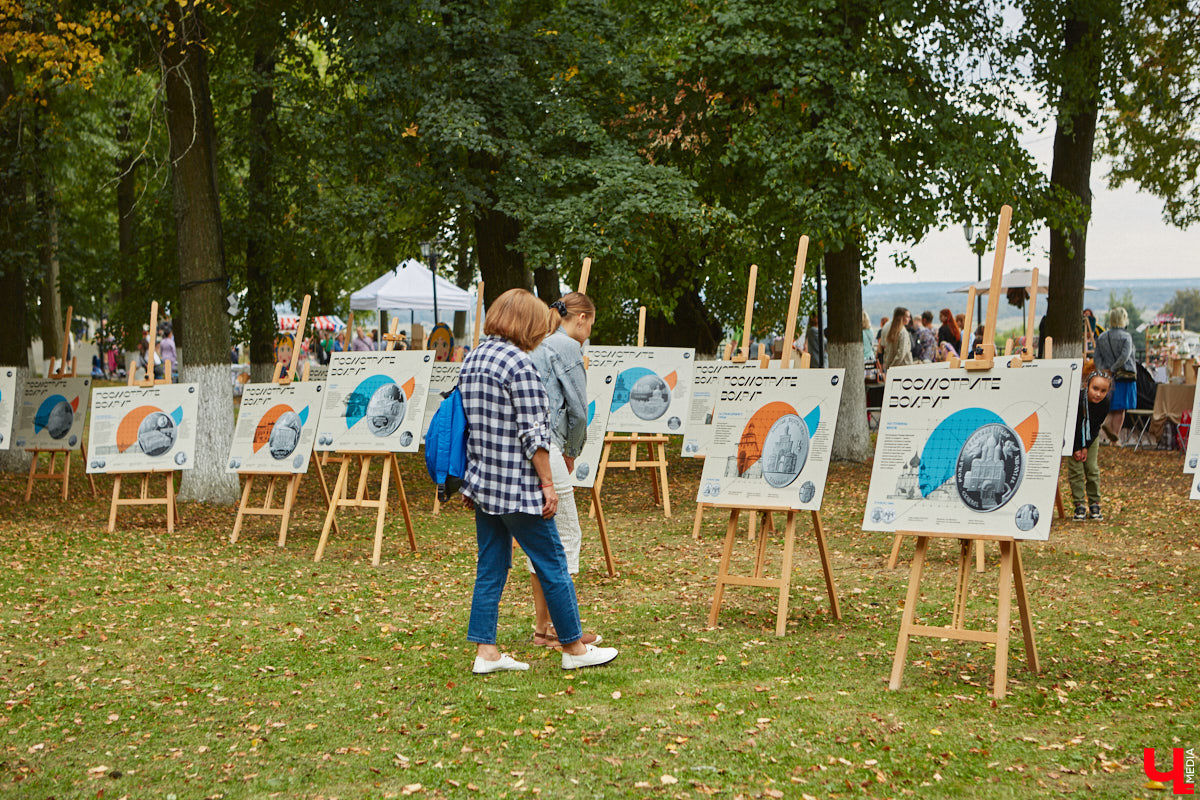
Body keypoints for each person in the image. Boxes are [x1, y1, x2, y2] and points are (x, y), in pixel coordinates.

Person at [459, 288, 618, 674]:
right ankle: (574, 648)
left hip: (483, 484)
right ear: (526, 322)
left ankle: (486, 652)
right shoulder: (519, 364)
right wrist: (548, 485)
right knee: (553, 562)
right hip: (517, 486)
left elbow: (466, 425)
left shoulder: (473, 359)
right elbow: (535, 435)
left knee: (491, 568)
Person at [527, 292, 604, 649]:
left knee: (540, 541)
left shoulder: (537, 344)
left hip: (526, 450)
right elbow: (578, 408)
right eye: (591, 323)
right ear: (583, 318)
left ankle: (544, 627)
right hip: (551, 446)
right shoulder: (567, 347)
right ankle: (564, 627)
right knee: (567, 537)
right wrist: (572, 450)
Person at [1069, 370, 1112, 520]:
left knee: (1091, 468)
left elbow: (1095, 426)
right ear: (1087, 385)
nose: (1098, 394)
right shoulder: (1077, 399)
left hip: (1090, 437)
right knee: (1076, 470)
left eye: (1103, 391)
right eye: (1095, 389)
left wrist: (1086, 447)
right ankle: (1079, 504)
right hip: (1072, 436)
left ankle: (1095, 502)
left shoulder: (1104, 404)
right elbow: (1072, 425)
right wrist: (1076, 449)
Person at [1094, 306, 1137, 443]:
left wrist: (1105, 370)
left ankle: (1108, 432)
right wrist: (1114, 368)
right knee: (1121, 408)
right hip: (1125, 375)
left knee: (1112, 405)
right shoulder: (1126, 337)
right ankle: (1115, 438)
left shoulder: (1102, 337)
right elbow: (1125, 356)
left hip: (1108, 377)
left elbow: (1096, 357)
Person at [881, 307, 914, 371]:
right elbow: (901, 353)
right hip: (902, 367)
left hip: (893, 366)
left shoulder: (891, 330)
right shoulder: (903, 332)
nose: (909, 319)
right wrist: (892, 367)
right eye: (907, 317)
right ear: (901, 317)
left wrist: (888, 366)